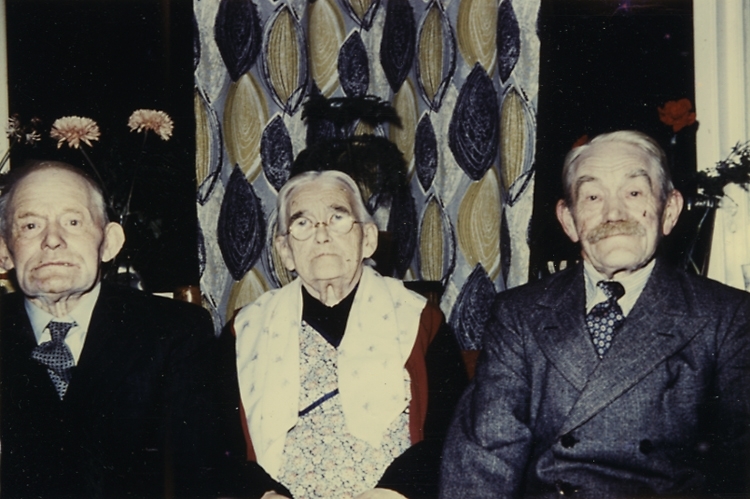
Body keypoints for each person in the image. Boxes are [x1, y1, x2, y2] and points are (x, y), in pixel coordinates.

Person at [440, 130, 750, 498]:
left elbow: (740, 471)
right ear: (569, 220)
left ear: (669, 211)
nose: (613, 214)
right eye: (592, 197)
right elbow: (483, 458)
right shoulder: (519, 315)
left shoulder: (726, 316)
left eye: (634, 193)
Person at [0, 161, 285, 498]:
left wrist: (261, 494)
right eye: (30, 225)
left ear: (109, 242)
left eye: (73, 222)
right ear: (5, 251)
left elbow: (208, 460)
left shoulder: (172, 331)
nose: (52, 240)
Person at [228, 170, 467, 499]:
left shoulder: (421, 320)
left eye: (337, 218)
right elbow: (218, 447)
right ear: (285, 251)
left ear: (367, 238)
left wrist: (395, 491)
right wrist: (263, 493)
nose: (321, 236)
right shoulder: (246, 329)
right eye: (302, 223)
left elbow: (454, 434)